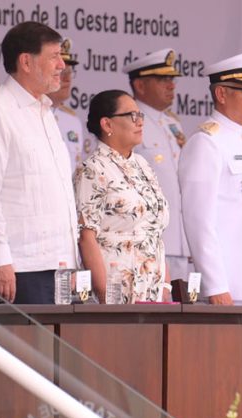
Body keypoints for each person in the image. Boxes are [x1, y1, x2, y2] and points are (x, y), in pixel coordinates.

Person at [0, 21, 78, 304]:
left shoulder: (45, 111)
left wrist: (72, 259)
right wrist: (0, 258)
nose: (61, 65)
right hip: (21, 267)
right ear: (26, 62)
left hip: (59, 265)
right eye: (54, 56)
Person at [178, 49, 242, 304]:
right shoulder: (206, 143)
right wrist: (215, 286)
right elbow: (198, 221)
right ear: (221, 93)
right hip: (233, 288)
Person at [74, 90, 170, 303]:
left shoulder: (143, 165)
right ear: (107, 124)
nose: (140, 122)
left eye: (140, 116)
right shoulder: (93, 169)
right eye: (131, 116)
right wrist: (104, 295)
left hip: (153, 288)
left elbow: (155, 232)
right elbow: (86, 237)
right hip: (116, 290)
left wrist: (165, 286)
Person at [124, 49, 190, 281]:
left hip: (180, 242)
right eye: (163, 80)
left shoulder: (173, 124)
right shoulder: (129, 122)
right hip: (149, 240)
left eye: (171, 79)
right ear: (140, 86)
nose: (171, 85)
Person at [49, 37, 84, 172]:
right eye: (61, 72)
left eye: (69, 72)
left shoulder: (72, 121)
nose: (67, 79)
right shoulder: (26, 115)